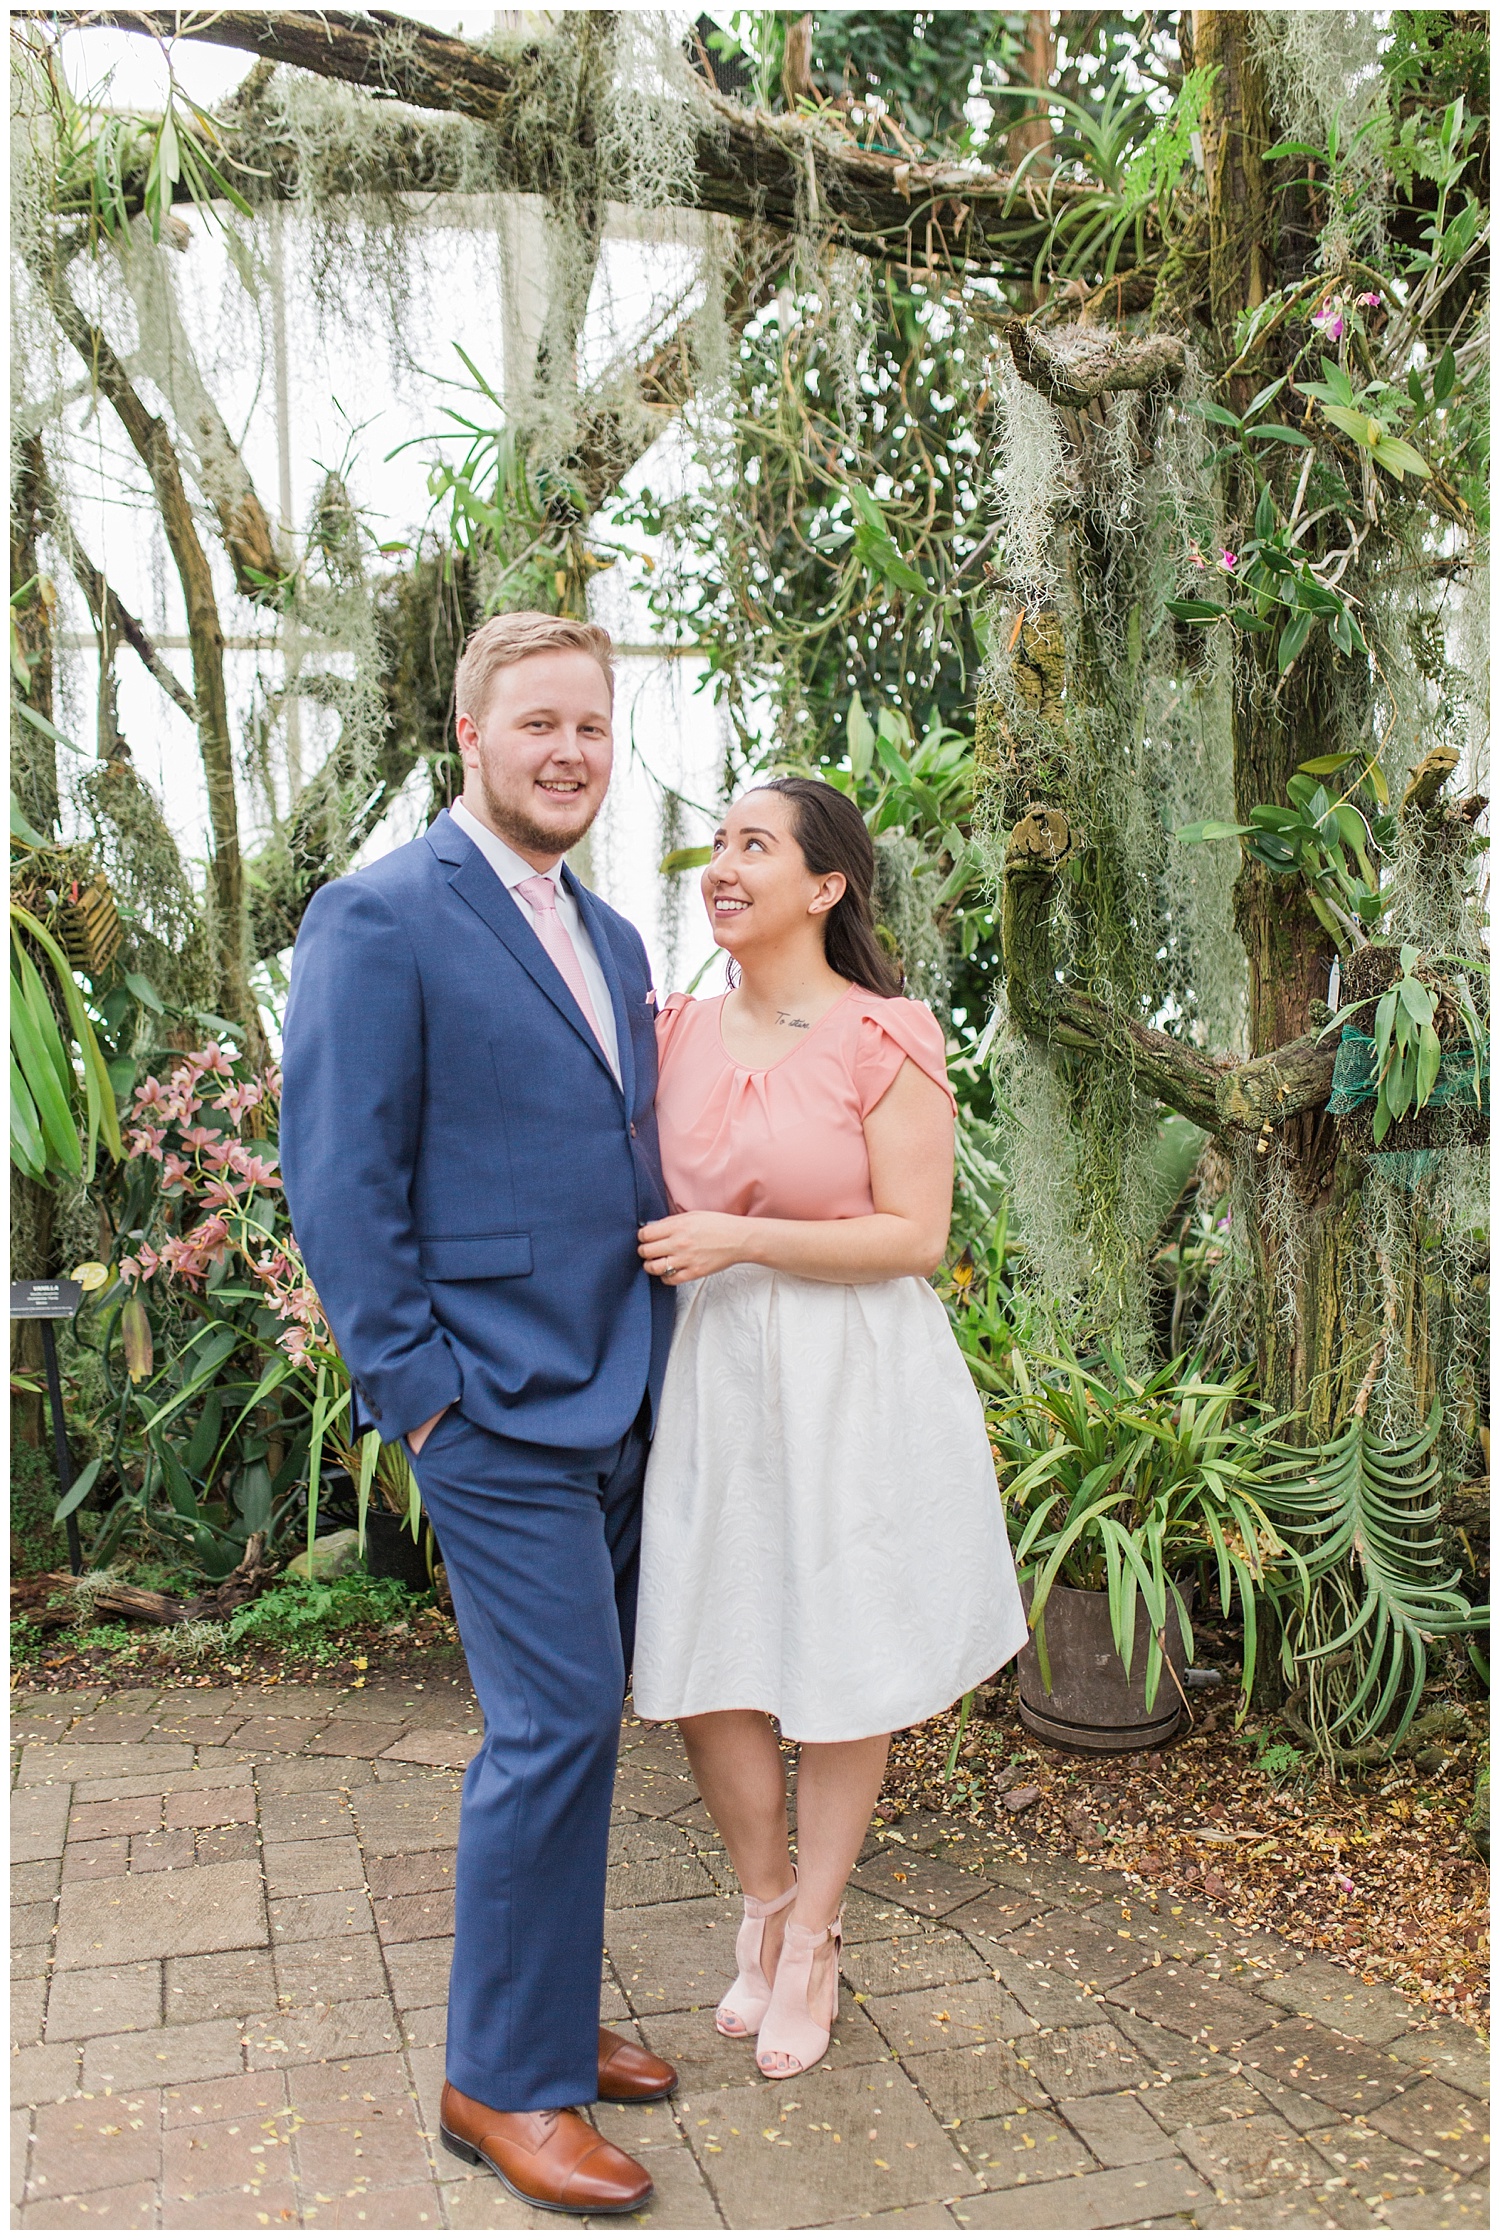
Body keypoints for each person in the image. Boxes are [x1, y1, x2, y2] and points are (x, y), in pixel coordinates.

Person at [279, 612, 679, 2218]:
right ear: (471, 738)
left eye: (591, 725)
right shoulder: (379, 916)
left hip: (619, 1382)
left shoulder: (620, 936)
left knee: (584, 1722)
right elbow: (339, 1181)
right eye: (540, 725)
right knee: (554, 1723)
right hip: (489, 1406)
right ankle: (498, 2085)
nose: (570, 751)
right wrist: (420, 1401)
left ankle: (545, 2017)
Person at [632, 775, 1028, 2079]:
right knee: (703, 1651)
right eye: (719, 845)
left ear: (827, 884)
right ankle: (761, 1900)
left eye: (757, 845)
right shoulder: (670, 1027)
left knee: (842, 1653)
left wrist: (739, 1236)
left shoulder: (885, 1033)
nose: (724, 866)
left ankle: (814, 1938)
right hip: (720, 1376)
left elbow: (914, 1236)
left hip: (852, 1372)